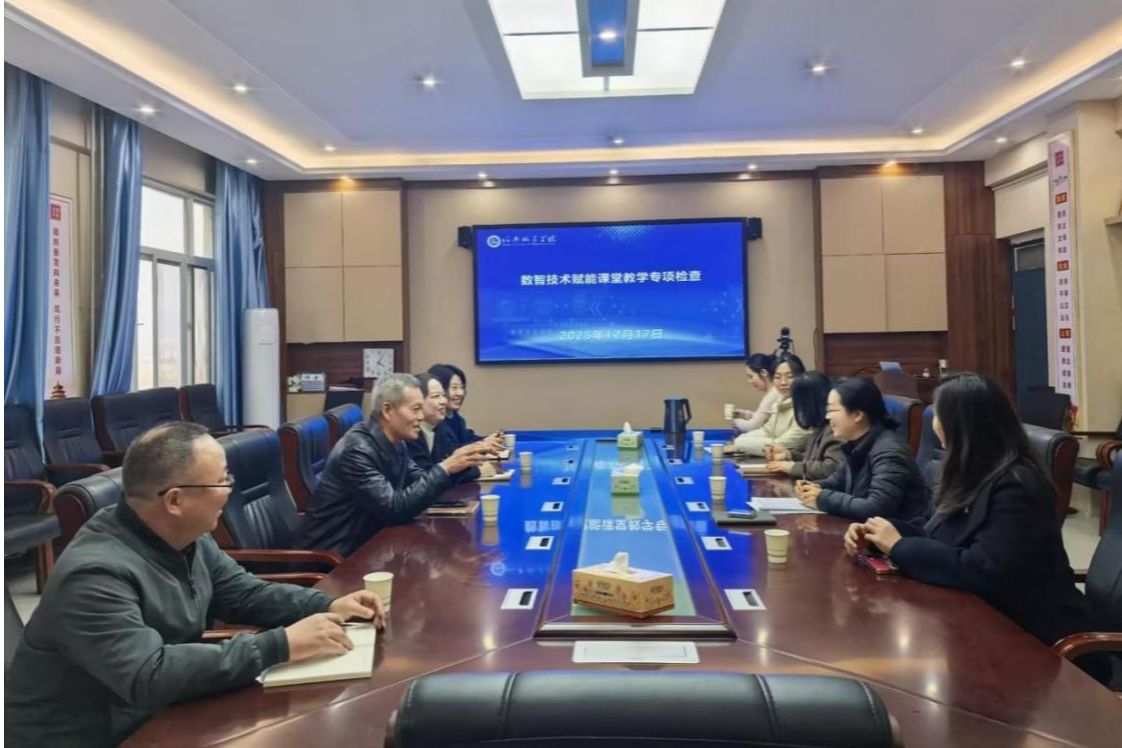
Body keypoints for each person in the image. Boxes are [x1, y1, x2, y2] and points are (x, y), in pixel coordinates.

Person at [5, 422, 386, 747]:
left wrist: (326, 605)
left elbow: (244, 593)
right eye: (222, 480)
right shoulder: (94, 573)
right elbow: (149, 674)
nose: (230, 489)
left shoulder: (184, 537)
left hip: (155, 716)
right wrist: (280, 645)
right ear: (175, 501)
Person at [843, 373, 1102, 675]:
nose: (934, 424)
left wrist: (899, 546)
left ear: (962, 423)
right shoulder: (970, 473)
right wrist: (880, 534)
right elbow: (934, 532)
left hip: (1039, 643)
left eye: (939, 415)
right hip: (984, 624)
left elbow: (985, 569)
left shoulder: (1016, 484)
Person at [299, 373, 493, 556]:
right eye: (415, 409)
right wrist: (446, 467)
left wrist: (461, 464)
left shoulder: (395, 441)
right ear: (388, 410)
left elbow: (421, 482)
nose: (421, 417)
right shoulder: (357, 451)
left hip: (372, 546)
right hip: (335, 559)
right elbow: (394, 509)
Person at [795, 377, 927, 521]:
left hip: (896, 531)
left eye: (832, 410)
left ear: (857, 415)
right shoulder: (856, 442)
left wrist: (822, 498)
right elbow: (838, 481)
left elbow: (876, 508)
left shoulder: (889, 452)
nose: (827, 417)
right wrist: (813, 487)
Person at [406, 372, 501, 482]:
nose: (443, 401)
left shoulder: (439, 428)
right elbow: (426, 476)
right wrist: (477, 472)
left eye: (443, 395)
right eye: (436, 396)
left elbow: (454, 461)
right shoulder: (409, 433)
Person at [763, 371, 843, 480]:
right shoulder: (820, 427)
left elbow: (830, 468)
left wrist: (792, 467)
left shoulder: (833, 429)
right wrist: (788, 455)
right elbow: (813, 459)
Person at [733, 353, 811, 457]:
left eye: (790, 377)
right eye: (777, 377)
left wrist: (740, 443)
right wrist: (741, 440)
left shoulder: (806, 407)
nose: (783, 382)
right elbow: (767, 430)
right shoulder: (780, 402)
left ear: (801, 377)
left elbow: (782, 445)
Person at [429, 363, 499, 448]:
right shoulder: (435, 423)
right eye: (454, 387)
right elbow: (452, 450)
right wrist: (483, 443)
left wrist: (488, 439)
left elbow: (467, 438)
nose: (460, 393)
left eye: (461, 387)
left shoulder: (456, 418)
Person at [731, 353, 779, 434]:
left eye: (751, 376)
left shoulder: (772, 396)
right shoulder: (773, 393)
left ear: (763, 373)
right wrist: (744, 414)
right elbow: (762, 417)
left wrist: (734, 421)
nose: (749, 381)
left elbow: (751, 427)